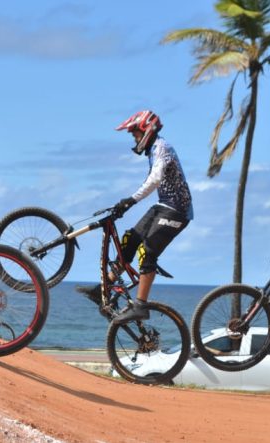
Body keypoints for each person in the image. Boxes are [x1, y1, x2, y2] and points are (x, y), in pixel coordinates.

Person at [76, 110, 193, 323]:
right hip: (163, 205)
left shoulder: (162, 148)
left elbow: (155, 179)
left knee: (147, 252)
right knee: (130, 239)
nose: (134, 139)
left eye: (135, 134)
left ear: (146, 130)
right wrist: (125, 204)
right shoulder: (154, 150)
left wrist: (131, 200)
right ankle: (106, 288)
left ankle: (140, 306)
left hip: (178, 211)